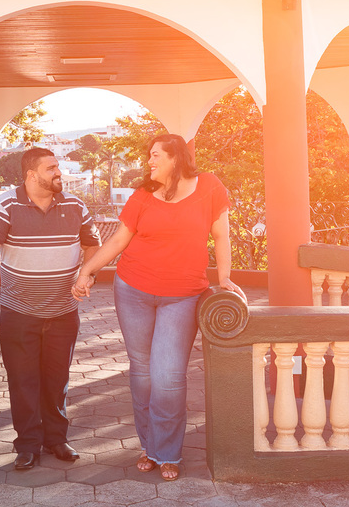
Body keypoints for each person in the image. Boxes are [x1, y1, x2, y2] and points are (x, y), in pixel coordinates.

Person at [72, 133, 242, 482]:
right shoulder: (142, 196)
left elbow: (221, 235)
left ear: (176, 158)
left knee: (167, 376)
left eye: (155, 156)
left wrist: (223, 278)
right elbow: (119, 240)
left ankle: (168, 452)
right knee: (143, 372)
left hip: (182, 295)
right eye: (149, 156)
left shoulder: (209, 187)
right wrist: (86, 271)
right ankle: (150, 447)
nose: (149, 162)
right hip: (133, 289)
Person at [0, 147, 100, 470]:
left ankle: (57, 440)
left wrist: (87, 275)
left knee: (57, 381)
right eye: (51, 168)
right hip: (19, 313)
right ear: (31, 175)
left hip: (63, 312)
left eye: (58, 167)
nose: (59, 173)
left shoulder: (75, 205)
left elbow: (93, 245)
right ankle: (28, 445)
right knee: (23, 381)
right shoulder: (5, 206)